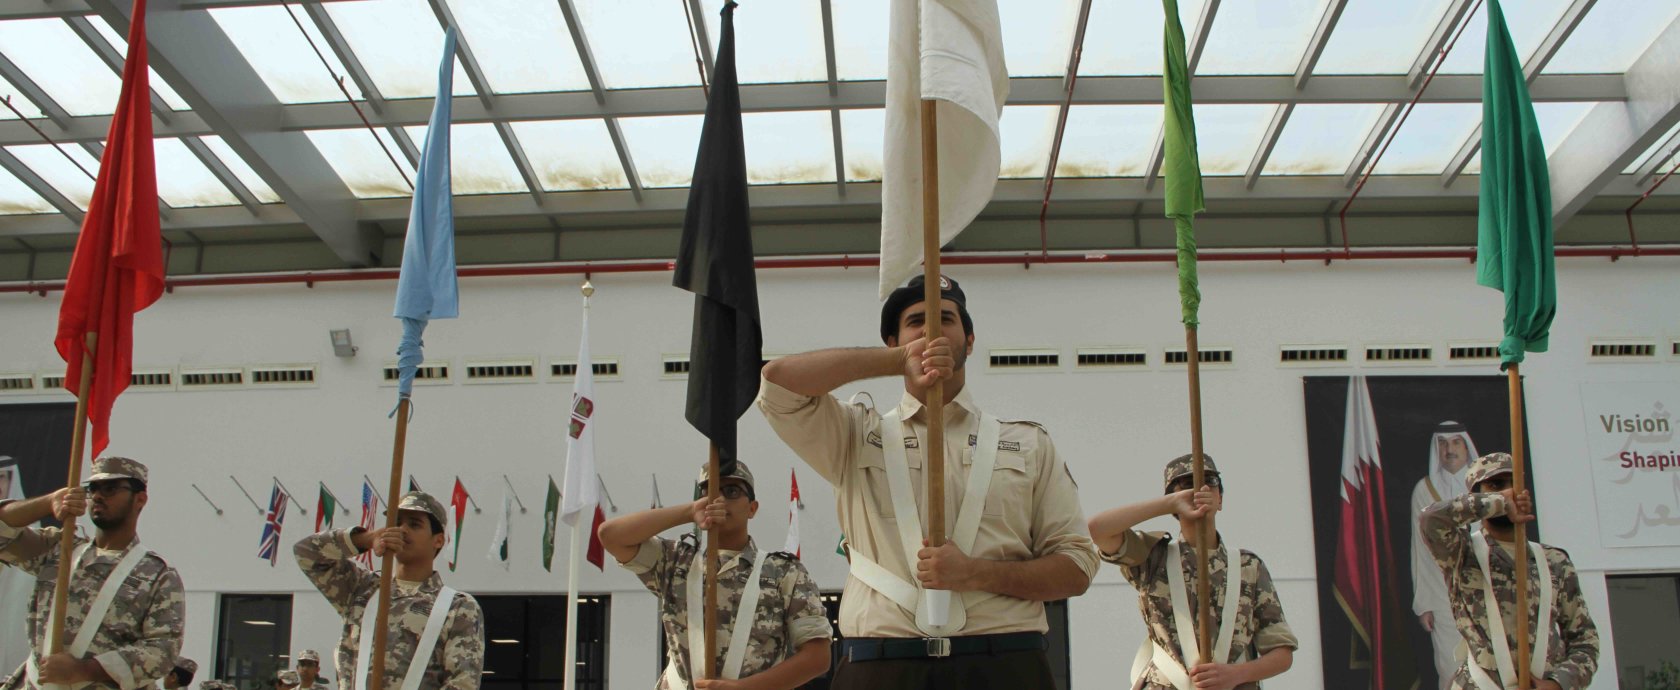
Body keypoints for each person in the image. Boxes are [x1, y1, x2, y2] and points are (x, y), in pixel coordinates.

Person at [758, 274, 1097, 688]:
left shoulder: (1027, 443)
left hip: (1004, 664)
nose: (931, 330)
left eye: (946, 319)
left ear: (969, 341)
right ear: (893, 342)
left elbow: (1076, 568)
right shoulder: (852, 435)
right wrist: (898, 362)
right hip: (881, 668)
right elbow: (777, 383)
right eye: (917, 321)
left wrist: (977, 574)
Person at [598, 461, 832, 689]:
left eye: (732, 491)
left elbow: (817, 656)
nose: (718, 500)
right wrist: (689, 512)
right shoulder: (676, 561)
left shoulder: (783, 572)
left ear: (752, 508)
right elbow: (610, 536)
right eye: (709, 492)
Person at [1087, 454, 1296, 690]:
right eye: (1187, 486)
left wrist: (1235, 674)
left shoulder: (1248, 567)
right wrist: (1169, 504)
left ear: (1220, 499)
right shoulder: (1154, 557)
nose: (1201, 491)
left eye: (1210, 483)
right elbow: (1098, 530)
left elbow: (1282, 653)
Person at [0, 456, 186, 690]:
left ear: (140, 499)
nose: (98, 496)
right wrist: (49, 501)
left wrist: (84, 670)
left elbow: (163, 649)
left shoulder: (158, 575)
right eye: (93, 489)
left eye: (110, 488)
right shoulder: (61, 550)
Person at [1420, 452, 1600, 690]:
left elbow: (1585, 641)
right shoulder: (1461, 552)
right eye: (1495, 485)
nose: (1510, 491)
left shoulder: (1554, 561)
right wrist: (1498, 502)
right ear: (1476, 496)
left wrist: (1557, 685)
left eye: (1515, 485)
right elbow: (1430, 519)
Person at [294, 491, 483, 690]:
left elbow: (463, 684)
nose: (402, 530)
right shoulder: (362, 588)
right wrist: (367, 538)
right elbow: (307, 552)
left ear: (438, 540)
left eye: (414, 524)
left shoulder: (457, 607)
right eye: (397, 522)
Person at [1412, 421, 1479, 689]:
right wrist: (1424, 602)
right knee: (1450, 666)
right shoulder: (1424, 490)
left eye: (1455, 442)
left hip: (1487, 591)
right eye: (1443, 443)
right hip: (1443, 595)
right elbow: (1420, 550)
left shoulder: (1484, 485)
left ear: (1466, 445)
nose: (1449, 449)